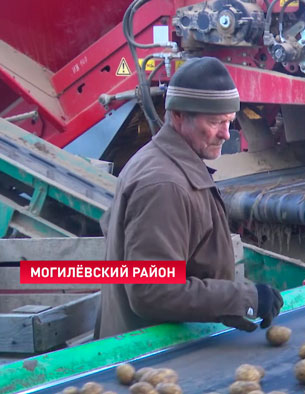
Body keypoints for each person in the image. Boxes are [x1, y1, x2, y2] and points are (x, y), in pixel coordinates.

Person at [96, 57, 283, 338]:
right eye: (214, 122)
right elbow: (152, 292)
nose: (225, 133)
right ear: (179, 115)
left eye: (229, 121)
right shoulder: (163, 185)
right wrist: (244, 299)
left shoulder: (168, 161)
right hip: (149, 356)